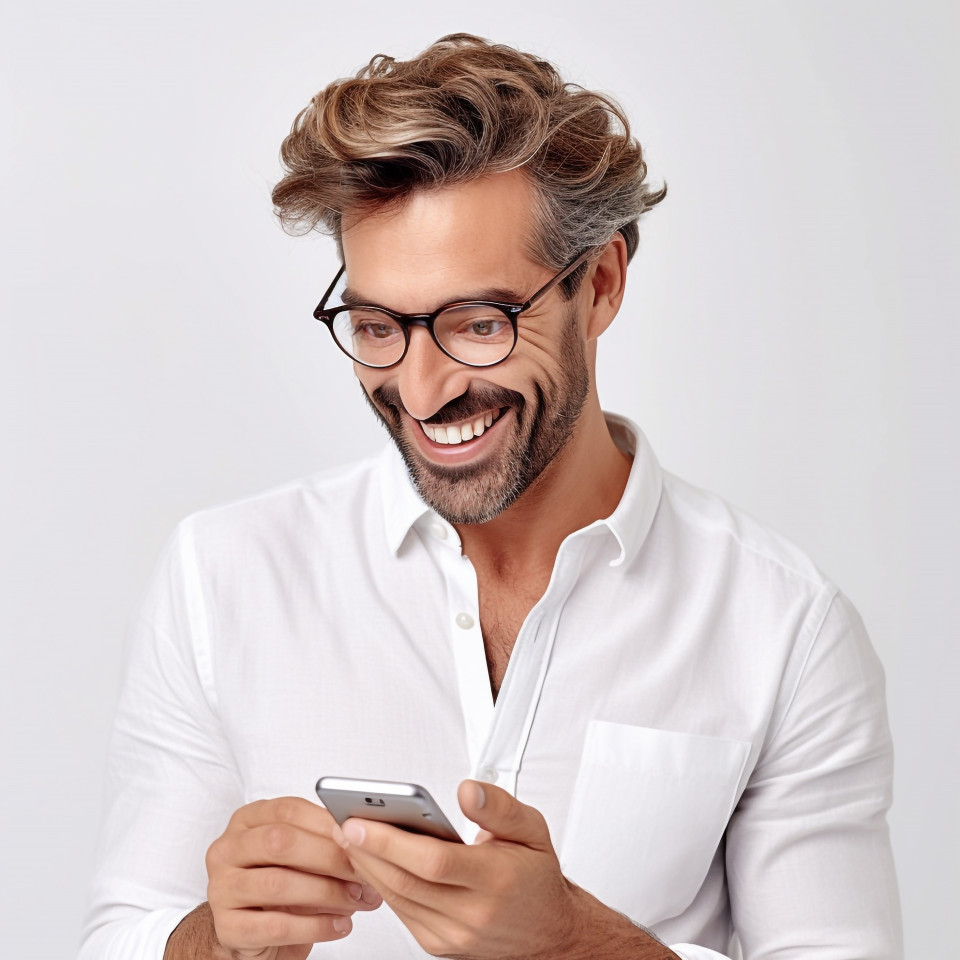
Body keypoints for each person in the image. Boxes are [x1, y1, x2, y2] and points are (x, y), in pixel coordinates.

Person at [79, 34, 902, 960]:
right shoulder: (221, 576)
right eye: (378, 325)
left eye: (479, 322)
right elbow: (124, 932)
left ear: (599, 285)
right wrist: (214, 943)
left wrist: (574, 943)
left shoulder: (786, 627)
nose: (423, 391)